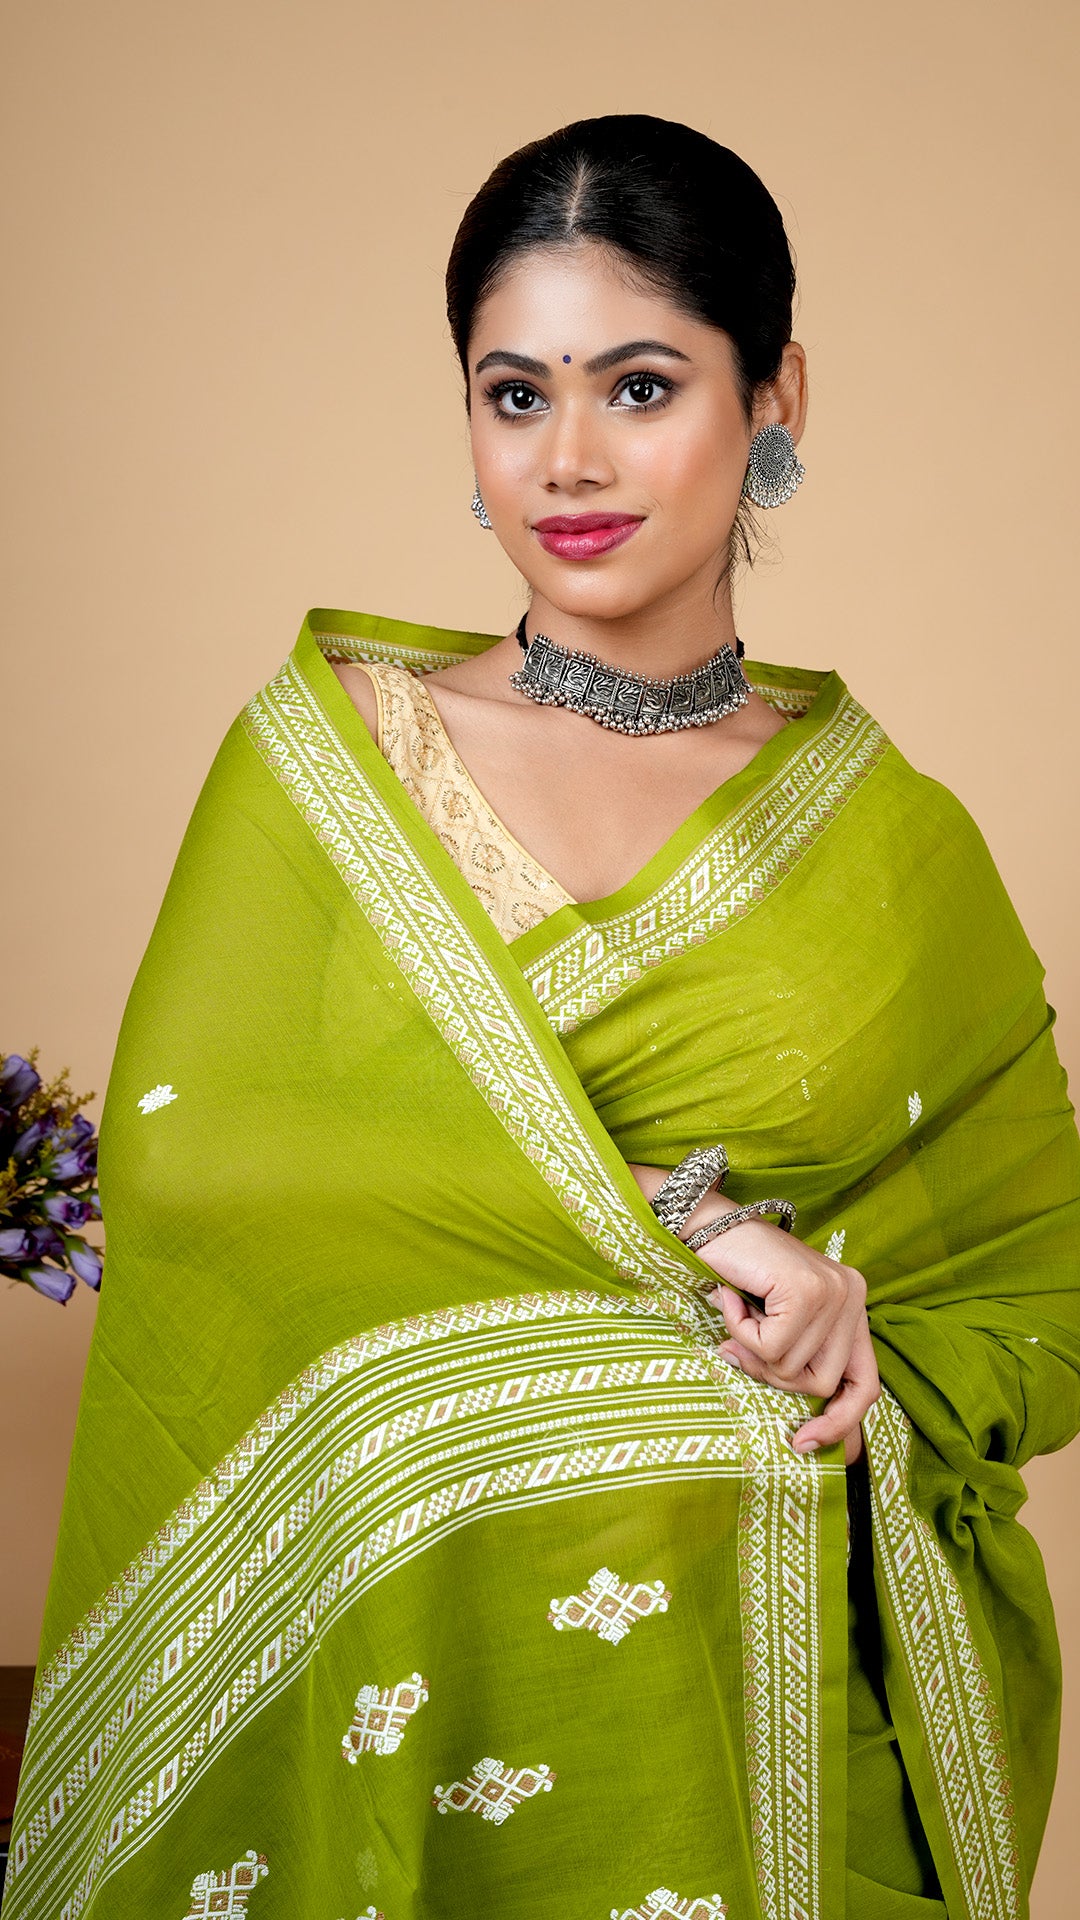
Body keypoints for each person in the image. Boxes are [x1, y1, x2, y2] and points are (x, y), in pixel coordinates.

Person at [7, 115, 1079, 1920]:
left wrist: (862, 1337)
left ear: (777, 395)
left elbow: (1038, 1287)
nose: (569, 461)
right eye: (515, 396)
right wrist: (696, 1223)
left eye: (640, 386)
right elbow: (218, 1176)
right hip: (391, 1683)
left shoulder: (897, 845)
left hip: (758, 1734)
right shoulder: (339, 768)